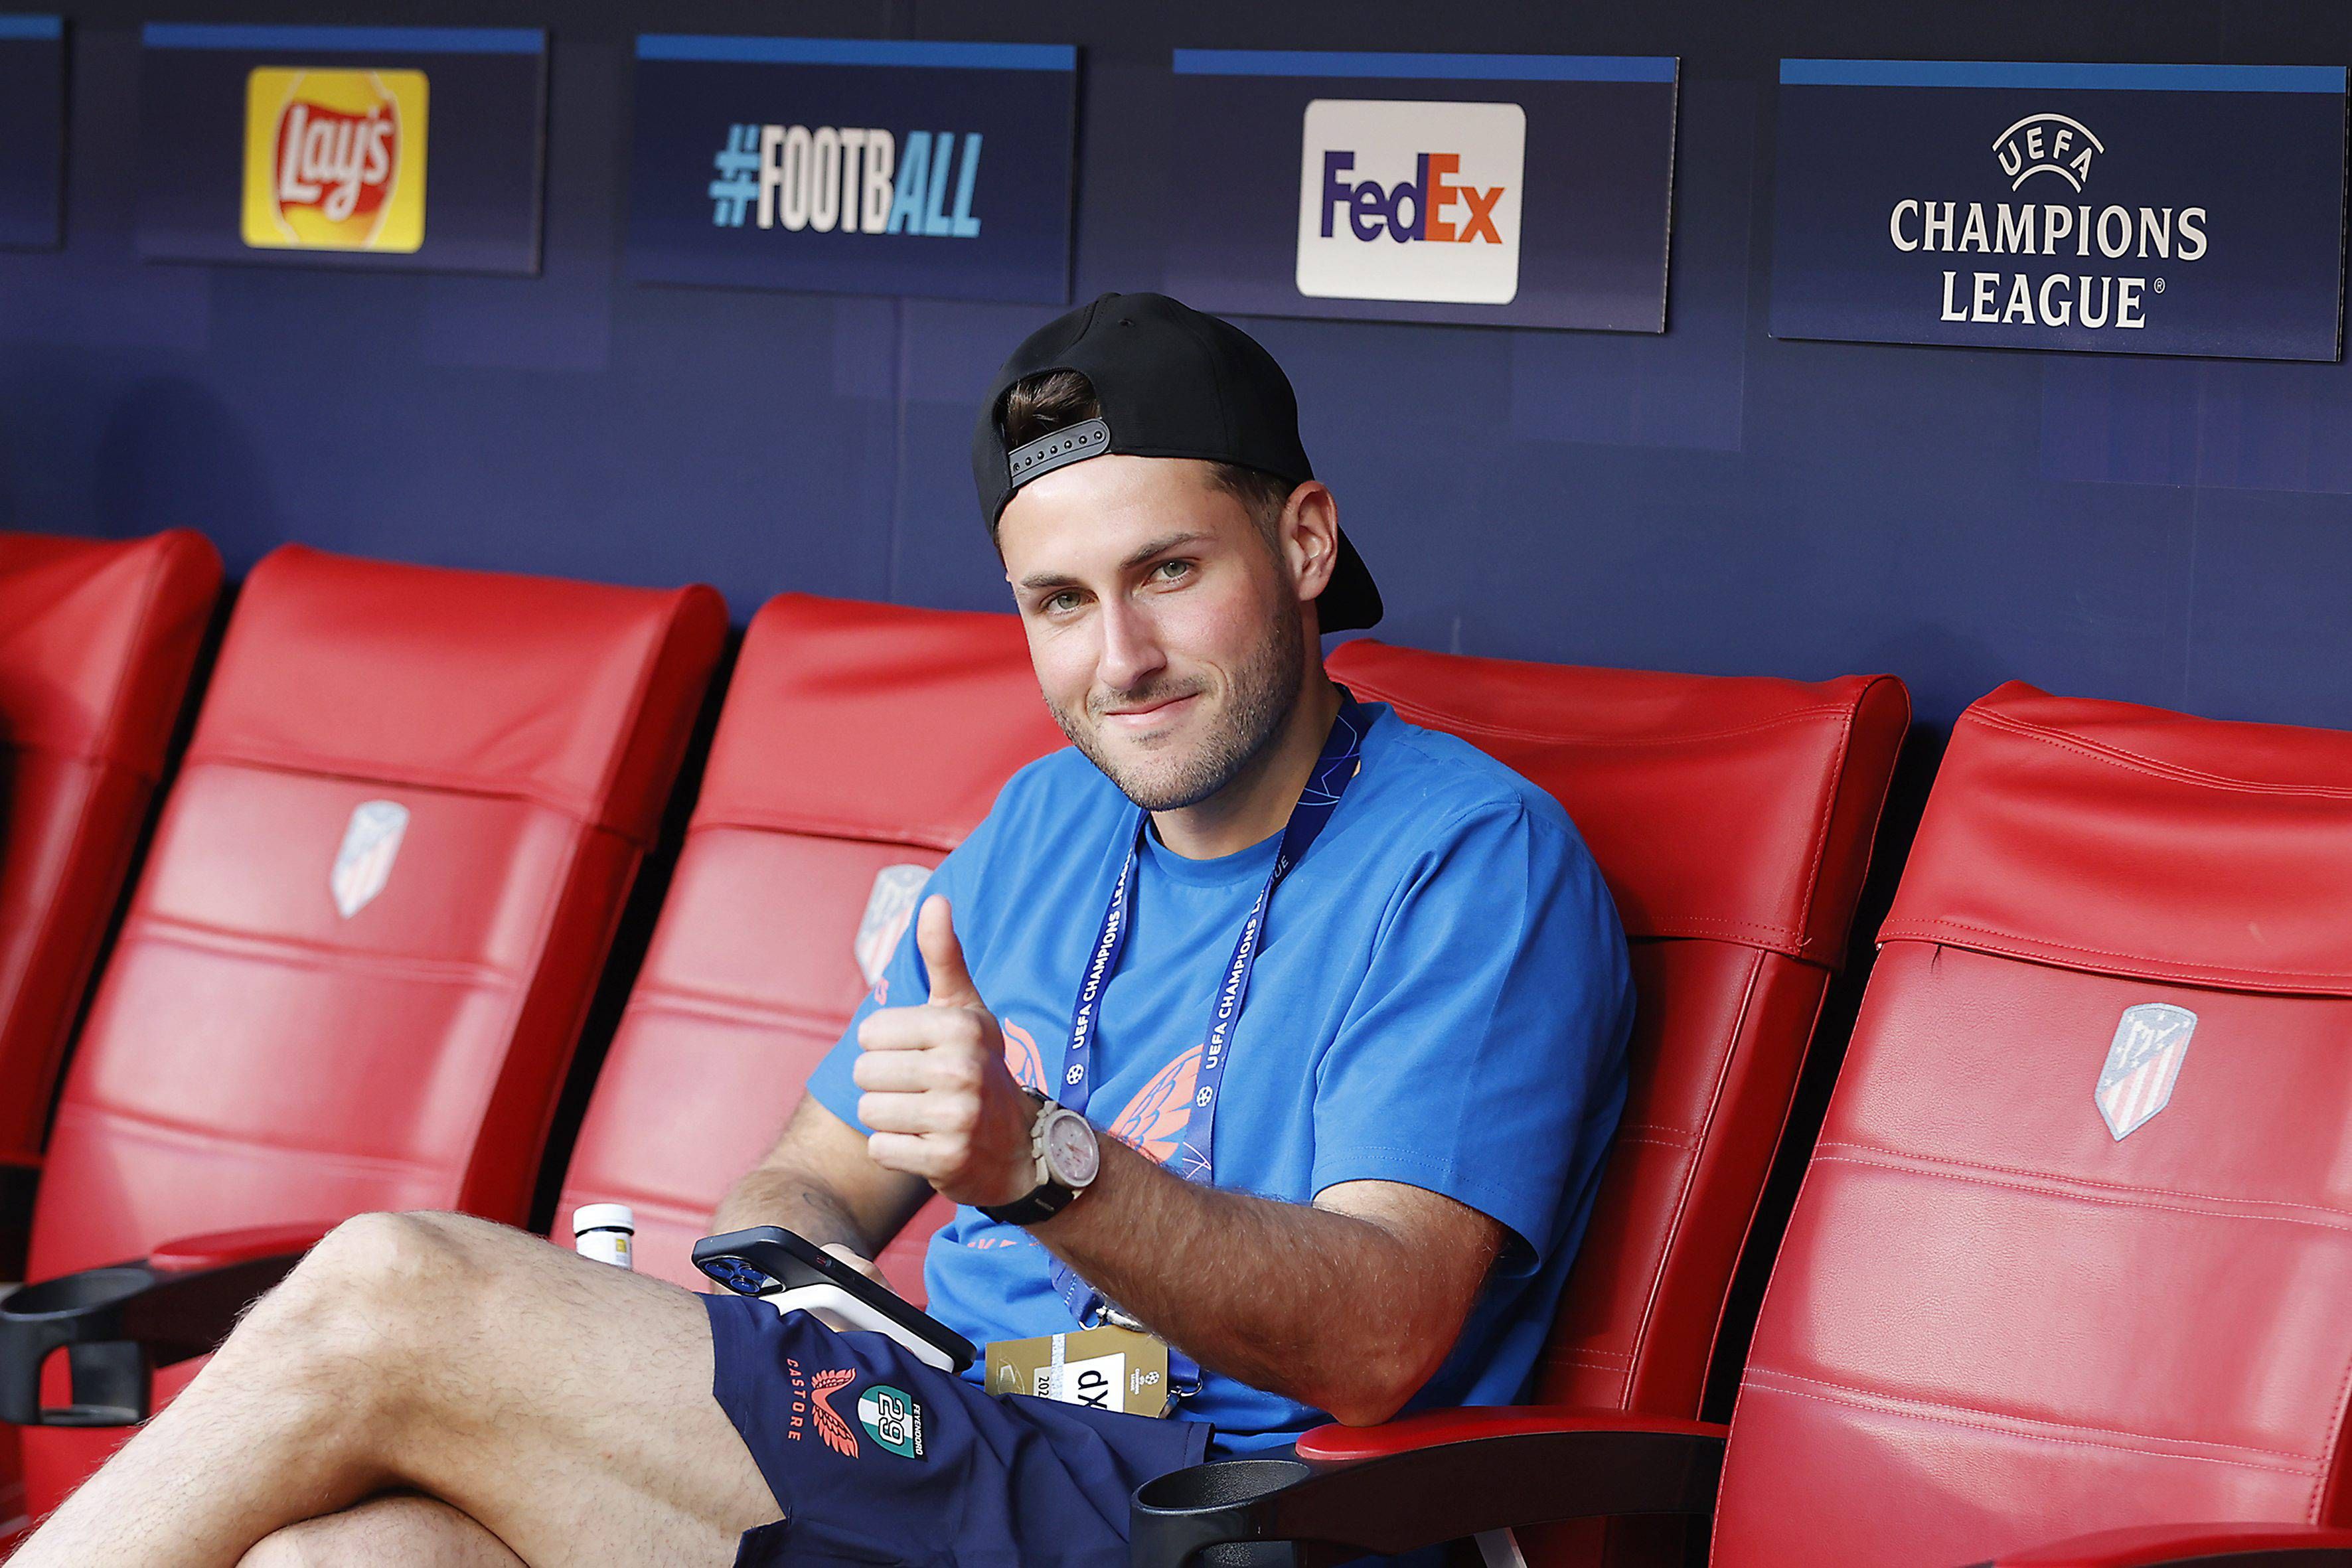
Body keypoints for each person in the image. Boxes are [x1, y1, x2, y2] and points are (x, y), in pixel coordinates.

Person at [13, 293, 1633, 1568]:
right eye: (1059, 603)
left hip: (1203, 1512)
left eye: (1167, 571)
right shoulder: (1043, 826)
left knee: (389, 1285)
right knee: (347, 1555)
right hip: (948, 1437)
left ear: (1300, 540)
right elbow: (799, 1176)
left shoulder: (1471, 859)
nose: (1119, 654)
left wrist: (1039, 1167)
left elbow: (1373, 1336)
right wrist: (799, 1272)